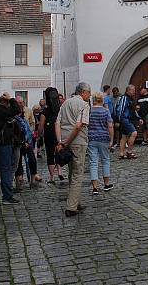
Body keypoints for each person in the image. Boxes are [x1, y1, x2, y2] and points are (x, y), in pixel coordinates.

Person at [55, 82, 90, 217]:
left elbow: (57, 123)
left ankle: (75, 201)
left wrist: (60, 142)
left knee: (71, 172)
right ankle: (71, 206)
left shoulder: (65, 103)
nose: (90, 95)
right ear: (83, 92)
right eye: (88, 92)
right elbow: (78, 126)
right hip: (78, 141)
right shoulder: (84, 105)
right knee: (77, 174)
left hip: (65, 140)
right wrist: (67, 141)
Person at [87, 92, 114, 195]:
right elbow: (110, 126)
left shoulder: (90, 111)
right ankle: (106, 184)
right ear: (102, 100)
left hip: (92, 138)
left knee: (93, 162)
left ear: (93, 100)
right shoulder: (106, 111)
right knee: (105, 160)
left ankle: (95, 187)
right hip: (104, 138)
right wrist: (111, 140)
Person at [39, 88, 64, 184]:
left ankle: (52, 176)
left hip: (49, 134)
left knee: (50, 155)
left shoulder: (45, 111)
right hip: (59, 133)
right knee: (59, 152)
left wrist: (39, 135)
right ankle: (60, 172)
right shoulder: (60, 109)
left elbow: (41, 125)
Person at [116, 85, 138, 159]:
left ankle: (121, 153)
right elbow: (120, 109)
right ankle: (129, 151)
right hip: (125, 119)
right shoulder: (124, 98)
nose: (134, 92)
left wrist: (138, 118)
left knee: (124, 136)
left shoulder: (130, 98)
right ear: (128, 90)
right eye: (133, 90)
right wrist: (118, 120)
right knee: (134, 133)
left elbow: (133, 110)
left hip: (128, 119)